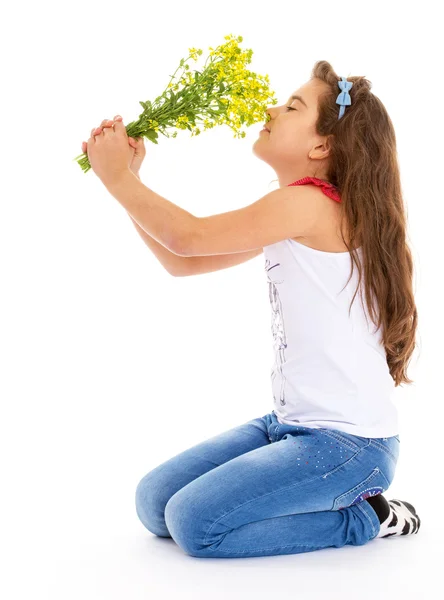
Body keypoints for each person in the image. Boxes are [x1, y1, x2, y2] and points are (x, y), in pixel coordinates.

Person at [83, 60, 420, 558]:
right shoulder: (294, 208)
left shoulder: (310, 206)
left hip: (349, 449)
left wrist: (118, 180)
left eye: (291, 107)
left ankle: (365, 517)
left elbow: (188, 235)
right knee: (155, 504)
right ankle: (325, 499)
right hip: (288, 426)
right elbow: (182, 260)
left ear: (321, 146)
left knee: (196, 526)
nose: (271, 109)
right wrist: (128, 181)